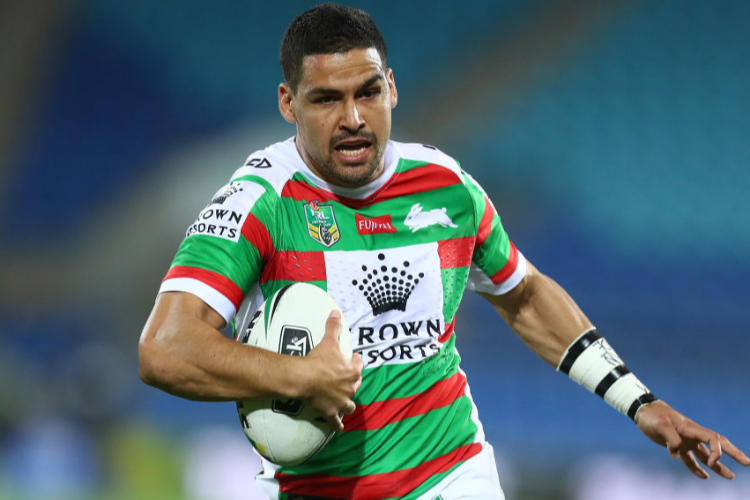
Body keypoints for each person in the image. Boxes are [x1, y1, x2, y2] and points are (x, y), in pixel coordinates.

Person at [138, 4, 749, 499]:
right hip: (325, 488)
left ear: (392, 89)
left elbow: (525, 294)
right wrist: (295, 375)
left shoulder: (445, 186)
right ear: (288, 103)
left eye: (368, 91)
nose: (353, 117)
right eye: (326, 99)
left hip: (452, 474)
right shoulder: (260, 201)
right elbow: (165, 350)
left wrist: (637, 402)